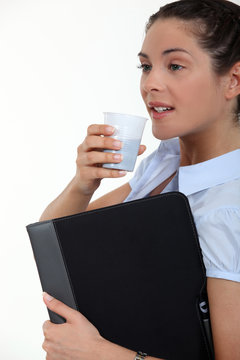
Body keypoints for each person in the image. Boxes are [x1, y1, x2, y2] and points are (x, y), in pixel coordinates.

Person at [40, 0, 240, 359]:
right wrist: (82, 184)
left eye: (175, 65)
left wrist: (99, 353)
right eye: (145, 66)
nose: (151, 84)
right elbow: (53, 244)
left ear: (234, 81)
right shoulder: (165, 163)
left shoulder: (229, 211)